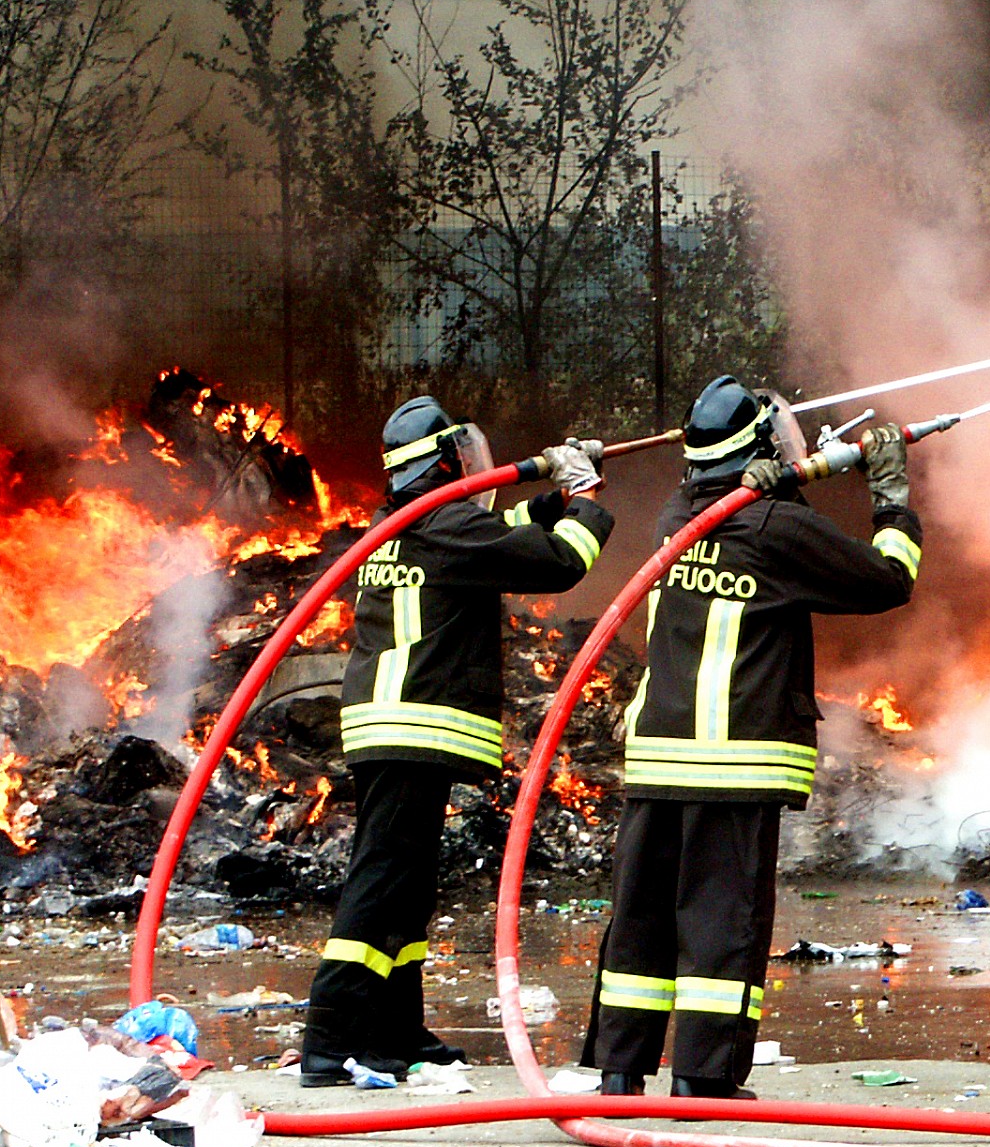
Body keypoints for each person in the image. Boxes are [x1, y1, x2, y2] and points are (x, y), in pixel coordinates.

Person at [582, 375, 923, 1097]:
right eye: (789, 432)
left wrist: (788, 486)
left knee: (640, 918)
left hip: (659, 757)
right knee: (720, 923)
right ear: (764, 448)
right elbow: (888, 579)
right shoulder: (774, 528)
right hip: (731, 763)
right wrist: (889, 490)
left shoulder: (678, 515)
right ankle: (704, 1079)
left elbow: (751, 532)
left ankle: (621, 1071)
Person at [300, 397, 615, 1086]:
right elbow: (558, 563)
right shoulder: (442, 524)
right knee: (380, 884)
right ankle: (330, 1037)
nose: (477, 465)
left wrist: (554, 489)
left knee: (404, 890)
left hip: (391, 725)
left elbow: (498, 530)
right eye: (465, 456)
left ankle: (393, 1030)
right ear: (445, 461)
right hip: (411, 725)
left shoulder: (410, 523)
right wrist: (585, 499)